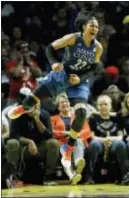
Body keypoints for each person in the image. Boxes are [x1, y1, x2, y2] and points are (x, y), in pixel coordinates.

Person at [8, 11, 103, 164]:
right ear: (84, 27)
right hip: (63, 74)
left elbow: (93, 69)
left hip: (79, 82)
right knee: (34, 99)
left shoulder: (98, 48)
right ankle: (23, 106)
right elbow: (50, 49)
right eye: (92, 26)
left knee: (81, 113)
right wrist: (53, 63)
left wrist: (80, 78)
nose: (95, 29)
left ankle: (69, 148)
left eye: (97, 27)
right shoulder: (73, 38)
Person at [86, 95, 128, 184]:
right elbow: (92, 136)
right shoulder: (93, 119)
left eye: (106, 104)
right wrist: (103, 140)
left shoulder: (117, 117)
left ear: (110, 106)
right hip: (99, 142)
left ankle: (125, 176)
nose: (103, 106)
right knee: (94, 144)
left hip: (114, 141)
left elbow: (120, 136)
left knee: (120, 144)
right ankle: (89, 177)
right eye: (100, 104)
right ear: (97, 106)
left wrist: (110, 139)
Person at [51, 93, 92, 184]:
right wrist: (66, 133)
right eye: (62, 102)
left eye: (66, 101)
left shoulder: (78, 118)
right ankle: (72, 175)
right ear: (58, 107)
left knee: (76, 141)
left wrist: (76, 134)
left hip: (77, 142)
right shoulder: (53, 119)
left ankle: (78, 163)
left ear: (70, 104)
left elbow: (87, 131)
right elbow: (51, 132)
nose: (65, 103)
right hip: (63, 142)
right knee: (65, 151)